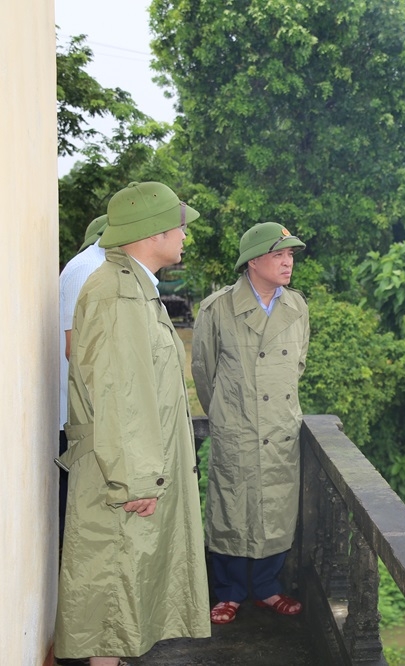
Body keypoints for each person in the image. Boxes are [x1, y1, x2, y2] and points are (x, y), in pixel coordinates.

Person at [55, 182, 211, 665]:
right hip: (125, 474)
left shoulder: (135, 287)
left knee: (124, 578)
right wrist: (135, 480)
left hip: (133, 467)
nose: (185, 234)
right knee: (115, 574)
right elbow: (120, 396)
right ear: (153, 232)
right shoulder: (118, 294)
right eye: (179, 226)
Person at [191, 222, 309, 625]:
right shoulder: (217, 308)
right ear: (254, 261)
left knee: (275, 508)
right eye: (279, 254)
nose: (288, 262)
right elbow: (204, 372)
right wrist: (229, 413)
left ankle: (268, 587)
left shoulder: (297, 306)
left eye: (290, 255)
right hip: (237, 428)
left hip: (280, 429)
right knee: (230, 508)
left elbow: (299, 364)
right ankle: (228, 592)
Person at [57, 214, 108, 548]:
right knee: (82, 526)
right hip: (82, 420)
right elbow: (79, 353)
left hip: (94, 418)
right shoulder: (86, 270)